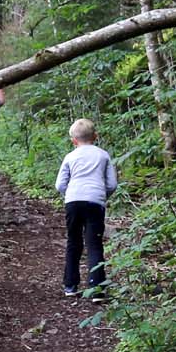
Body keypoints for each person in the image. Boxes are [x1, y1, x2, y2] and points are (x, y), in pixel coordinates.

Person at [54, 117, 117, 296]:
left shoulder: (70, 156)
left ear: (73, 140)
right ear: (95, 136)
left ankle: (70, 285)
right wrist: (102, 196)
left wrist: (70, 194)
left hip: (73, 201)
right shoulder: (103, 155)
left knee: (73, 242)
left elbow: (60, 184)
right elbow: (112, 184)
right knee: (94, 244)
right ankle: (97, 288)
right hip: (95, 202)